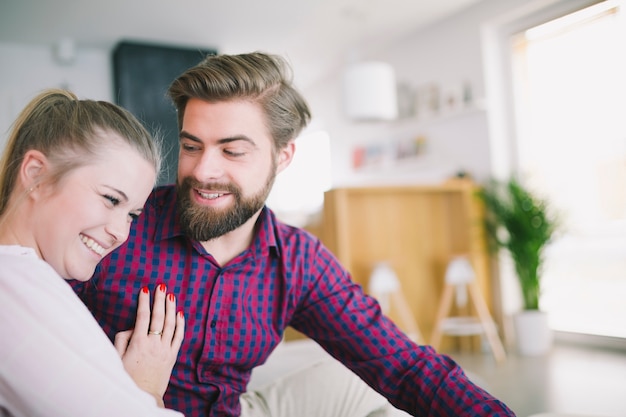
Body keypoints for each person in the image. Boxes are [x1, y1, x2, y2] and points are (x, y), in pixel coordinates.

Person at [73, 52, 516, 416]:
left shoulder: (298, 259)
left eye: (232, 150)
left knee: (370, 388)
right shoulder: (121, 223)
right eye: (192, 146)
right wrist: (132, 392)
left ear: (282, 157)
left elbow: (402, 367)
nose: (203, 170)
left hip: (238, 409)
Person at [0, 89, 186, 416]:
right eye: (111, 199)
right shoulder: (15, 283)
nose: (121, 232)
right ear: (36, 175)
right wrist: (146, 391)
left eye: (132, 215)